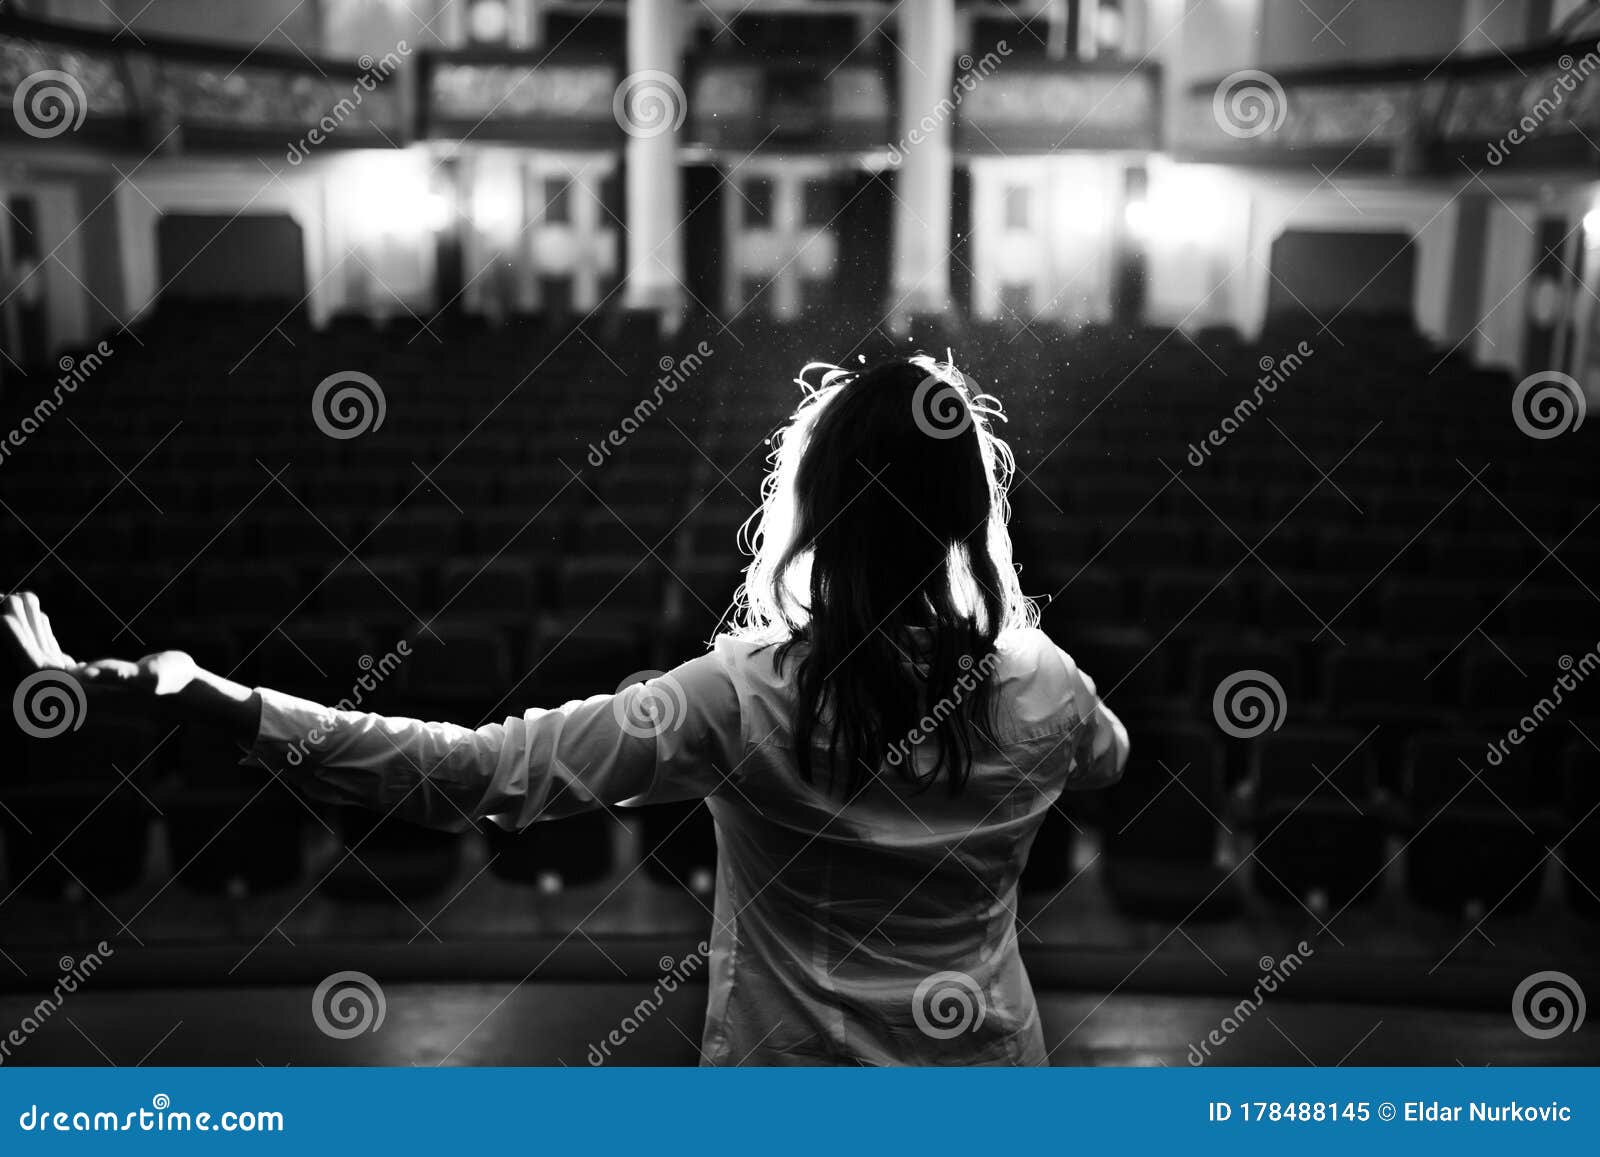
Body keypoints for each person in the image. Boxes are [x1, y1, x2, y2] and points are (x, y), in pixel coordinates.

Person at [2, 354, 1128, 1066]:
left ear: (819, 508)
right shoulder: (1044, 681)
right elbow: (1105, 760)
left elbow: (473, 775)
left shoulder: (739, 697)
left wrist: (226, 700)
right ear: (970, 510)